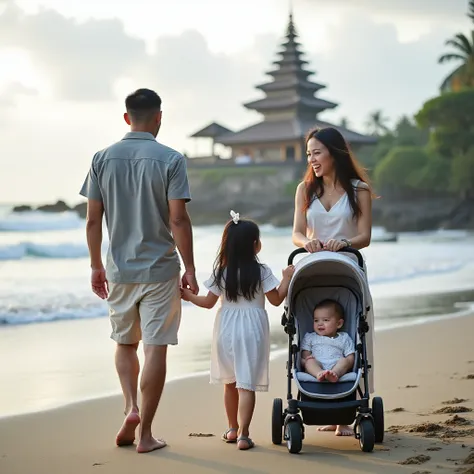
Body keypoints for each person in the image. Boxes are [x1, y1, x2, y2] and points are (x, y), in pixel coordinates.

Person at [80, 88, 198, 453]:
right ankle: (146, 434)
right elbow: (178, 218)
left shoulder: (102, 158)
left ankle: (130, 407)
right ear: (159, 117)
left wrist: (97, 265)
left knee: (124, 343)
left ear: (127, 117)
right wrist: (190, 267)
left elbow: (92, 220)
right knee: (155, 350)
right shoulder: (171, 159)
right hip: (160, 270)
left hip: (118, 270)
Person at [181, 211, 294, 450]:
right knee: (246, 384)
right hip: (252, 328)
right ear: (255, 245)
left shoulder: (222, 272)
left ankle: (232, 429)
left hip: (226, 328)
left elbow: (208, 303)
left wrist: (188, 296)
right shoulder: (261, 271)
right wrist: (286, 278)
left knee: (230, 382)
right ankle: (244, 434)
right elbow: (276, 299)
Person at [292, 126, 375, 436]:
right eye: (309, 154)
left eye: (317, 152)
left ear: (334, 153)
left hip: (348, 267)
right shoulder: (305, 189)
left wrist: (345, 241)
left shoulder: (359, 189)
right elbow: (297, 232)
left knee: (351, 335)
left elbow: (364, 236)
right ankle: (331, 408)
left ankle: (347, 411)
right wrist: (306, 244)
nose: (312, 159)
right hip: (314, 266)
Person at [301, 299, 355, 384]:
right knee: (309, 362)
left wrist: (347, 362)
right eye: (316, 320)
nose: (320, 323)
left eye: (325, 320)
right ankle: (319, 374)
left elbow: (350, 356)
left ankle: (334, 374)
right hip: (317, 365)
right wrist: (307, 358)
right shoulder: (310, 337)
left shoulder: (344, 338)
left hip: (336, 365)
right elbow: (305, 354)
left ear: (339, 324)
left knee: (344, 361)